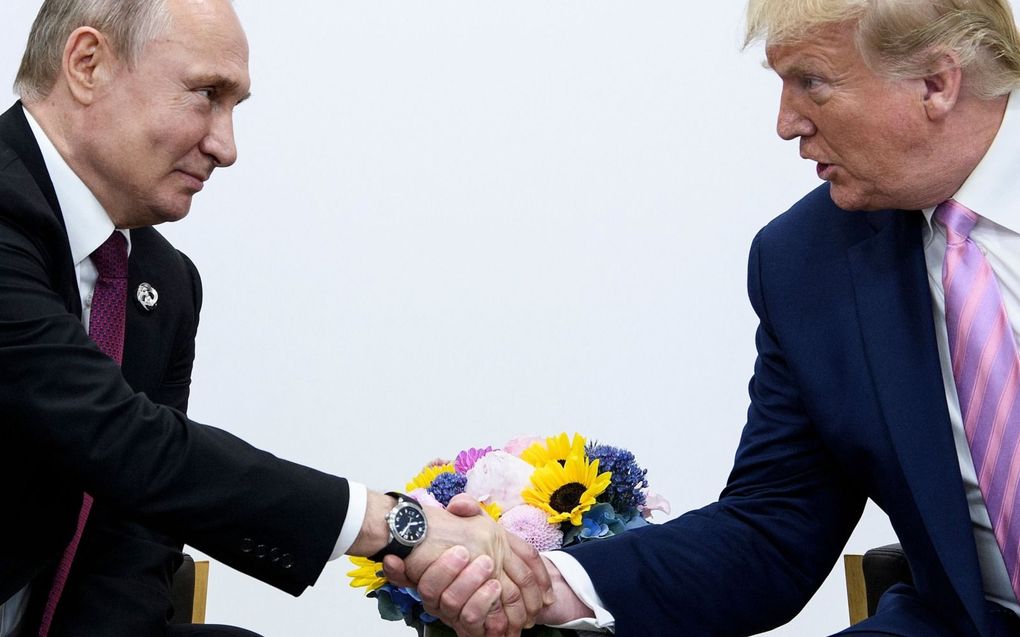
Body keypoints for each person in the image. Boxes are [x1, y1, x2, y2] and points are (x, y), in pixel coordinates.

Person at [394, 0, 1020, 635]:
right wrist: (550, 584)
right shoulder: (806, 262)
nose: (785, 123)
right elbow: (773, 527)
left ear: (936, 83)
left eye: (812, 81)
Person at [0, 1, 550, 635]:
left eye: (236, 107)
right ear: (87, 64)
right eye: (206, 94)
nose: (226, 147)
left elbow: (132, 534)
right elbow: (119, 438)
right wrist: (395, 527)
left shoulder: (164, 283)